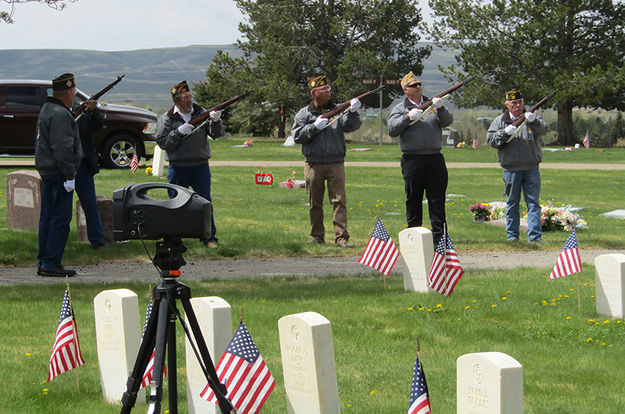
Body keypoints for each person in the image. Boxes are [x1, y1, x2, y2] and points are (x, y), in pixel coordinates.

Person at [292, 75, 362, 248]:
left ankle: (341, 238)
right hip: (313, 163)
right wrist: (313, 127)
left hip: (335, 162)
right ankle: (317, 236)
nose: (328, 92)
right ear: (314, 93)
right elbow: (297, 136)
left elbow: (351, 126)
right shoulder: (304, 113)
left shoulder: (339, 110)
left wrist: (353, 113)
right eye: (324, 90)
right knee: (315, 202)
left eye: (328, 89)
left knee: (339, 201)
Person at [155, 80, 224, 248]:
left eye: (190, 96)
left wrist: (215, 121)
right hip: (178, 167)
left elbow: (216, 134)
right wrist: (177, 133)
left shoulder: (201, 112)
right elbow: (163, 142)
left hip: (200, 165)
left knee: (205, 203)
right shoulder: (168, 118)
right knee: (175, 204)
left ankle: (209, 237)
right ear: (176, 101)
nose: (189, 100)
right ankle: (175, 239)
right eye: (184, 97)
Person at [388, 71, 453, 245]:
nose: (418, 87)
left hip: (434, 158)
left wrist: (441, 108)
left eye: (419, 84)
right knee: (413, 199)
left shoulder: (432, 104)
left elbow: (447, 121)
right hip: (412, 160)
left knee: (437, 200)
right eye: (413, 85)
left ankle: (440, 238)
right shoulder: (400, 109)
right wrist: (407, 117)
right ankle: (413, 236)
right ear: (405, 90)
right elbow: (392, 129)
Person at [35, 73, 83, 277]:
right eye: (73, 92)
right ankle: (51, 262)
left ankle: (45, 259)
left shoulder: (48, 109)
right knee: (59, 218)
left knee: (47, 217)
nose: (74, 96)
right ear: (69, 93)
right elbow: (63, 148)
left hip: (50, 172)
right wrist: (69, 174)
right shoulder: (60, 114)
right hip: (59, 173)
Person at [486, 89, 548, 243]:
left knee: (533, 203)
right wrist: (505, 132)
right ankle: (512, 236)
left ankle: (535, 237)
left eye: (520, 102)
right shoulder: (500, 121)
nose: (518, 105)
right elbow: (491, 140)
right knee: (512, 202)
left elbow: (543, 130)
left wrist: (534, 121)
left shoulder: (531, 118)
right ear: (507, 105)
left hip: (531, 167)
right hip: (511, 169)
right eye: (514, 103)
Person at [74, 98, 106, 249]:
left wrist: (93, 111)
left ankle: (98, 241)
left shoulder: (84, 113)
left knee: (90, 205)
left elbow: (98, 126)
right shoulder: (62, 114)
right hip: (65, 164)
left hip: (83, 164)